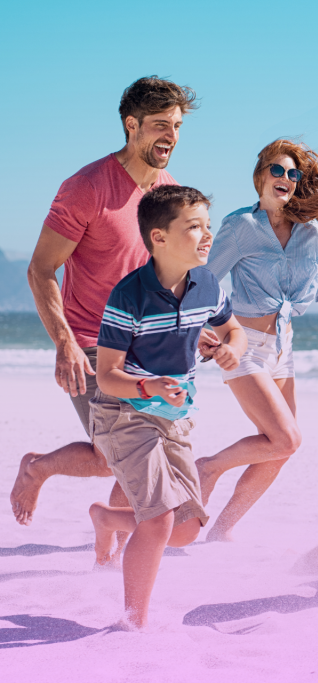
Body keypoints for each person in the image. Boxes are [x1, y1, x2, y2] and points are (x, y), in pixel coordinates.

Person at [10, 76, 198, 527]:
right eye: (159, 125)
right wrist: (65, 343)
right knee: (119, 452)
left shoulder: (168, 191)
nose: (170, 136)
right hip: (93, 343)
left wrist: (194, 325)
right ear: (131, 125)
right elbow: (41, 269)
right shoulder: (87, 187)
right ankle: (39, 471)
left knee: (130, 451)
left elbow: (166, 273)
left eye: (176, 126)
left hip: (147, 345)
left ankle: (110, 535)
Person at [198, 139, 318, 541]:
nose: (285, 178)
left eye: (293, 173)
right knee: (286, 437)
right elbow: (204, 278)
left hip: (283, 349)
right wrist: (200, 326)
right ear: (260, 176)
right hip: (244, 344)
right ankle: (207, 468)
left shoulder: (312, 235)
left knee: (281, 449)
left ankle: (221, 531)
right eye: (277, 170)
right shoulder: (240, 227)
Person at [88, 185, 246, 629]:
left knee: (186, 529)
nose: (207, 235)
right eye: (194, 227)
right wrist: (148, 385)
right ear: (158, 238)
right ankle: (132, 624)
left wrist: (231, 349)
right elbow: (106, 375)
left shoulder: (206, 284)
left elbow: (234, 330)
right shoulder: (128, 296)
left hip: (174, 416)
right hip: (124, 411)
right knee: (158, 521)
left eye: (208, 225)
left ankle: (106, 518)